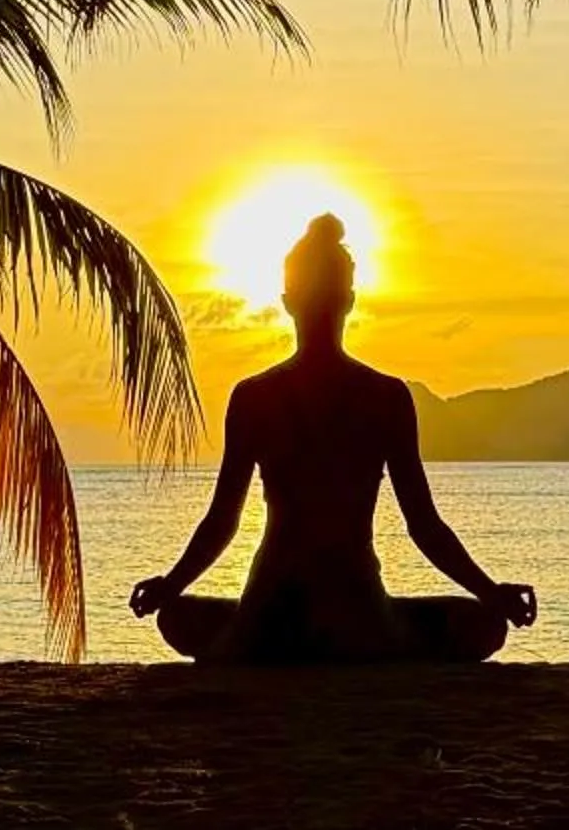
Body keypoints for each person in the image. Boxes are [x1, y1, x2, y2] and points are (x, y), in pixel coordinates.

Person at [131, 213, 540, 662]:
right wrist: (491, 593)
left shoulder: (254, 397)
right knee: (483, 624)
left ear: (288, 302)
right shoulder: (386, 397)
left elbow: (222, 521)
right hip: (358, 612)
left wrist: (171, 585)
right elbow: (424, 526)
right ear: (348, 299)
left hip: (271, 610)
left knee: (176, 615)